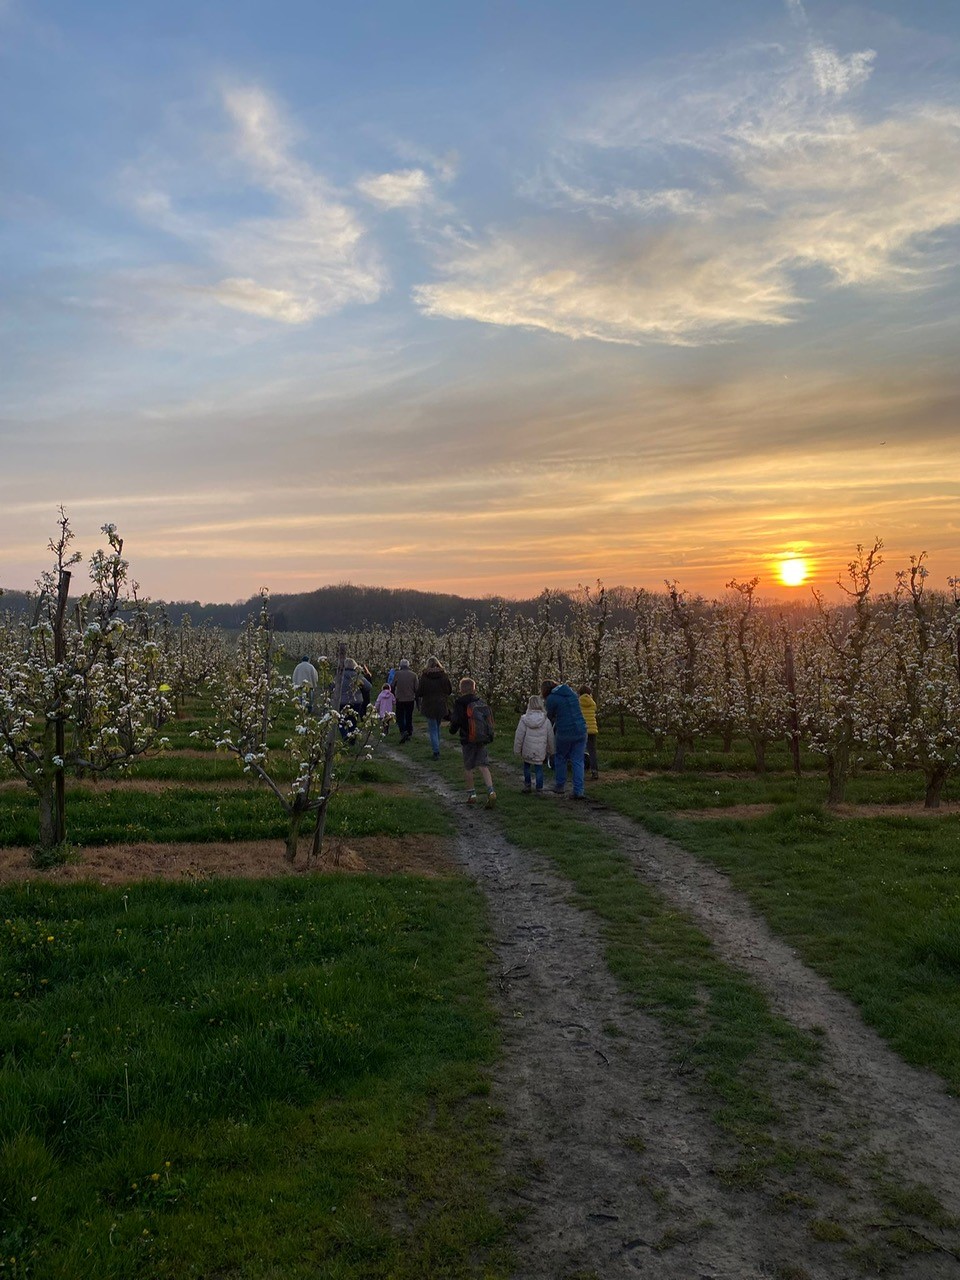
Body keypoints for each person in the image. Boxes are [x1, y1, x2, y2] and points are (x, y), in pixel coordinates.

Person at [449, 677, 496, 807]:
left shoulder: (460, 703)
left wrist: (452, 729)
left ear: (461, 689)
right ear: (474, 688)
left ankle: (472, 794)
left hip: (467, 738)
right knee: (483, 765)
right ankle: (491, 791)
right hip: (481, 738)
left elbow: (457, 720)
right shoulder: (479, 701)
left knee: (468, 767)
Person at [542, 678, 588, 799]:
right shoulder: (571, 693)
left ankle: (560, 785)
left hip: (565, 731)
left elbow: (549, 716)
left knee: (560, 757)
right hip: (581, 729)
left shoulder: (551, 699)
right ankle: (579, 791)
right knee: (578, 760)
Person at [513, 695, 555, 793]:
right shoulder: (546, 720)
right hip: (540, 750)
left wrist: (517, 750)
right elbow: (550, 737)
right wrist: (551, 750)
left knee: (527, 766)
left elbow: (519, 736)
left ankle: (527, 785)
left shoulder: (524, 719)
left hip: (527, 748)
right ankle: (539, 787)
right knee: (539, 768)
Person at [418, 655, 453, 759]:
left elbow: (420, 692)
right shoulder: (444, 676)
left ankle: (436, 751)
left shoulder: (424, 677)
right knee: (437, 727)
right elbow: (449, 691)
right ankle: (437, 746)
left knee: (433, 728)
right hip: (441, 704)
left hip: (429, 705)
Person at [333, 658, 371, 740]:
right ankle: (352, 736)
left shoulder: (339, 676)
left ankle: (344, 735)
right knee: (353, 720)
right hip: (356, 702)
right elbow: (368, 687)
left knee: (341, 719)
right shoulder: (358, 676)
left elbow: (332, 686)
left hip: (342, 701)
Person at [391, 658, 419, 743]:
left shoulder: (397, 674)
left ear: (400, 666)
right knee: (408, 716)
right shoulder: (414, 675)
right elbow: (417, 689)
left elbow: (392, 685)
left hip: (400, 698)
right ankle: (409, 732)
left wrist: (393, 695)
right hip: (410, 699)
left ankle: (403, 731)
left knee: (400, 716)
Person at [579, 684, 600, 780]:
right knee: (592, 751)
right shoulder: (593, 703)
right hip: (592, 729)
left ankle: (580, 770)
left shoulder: (577, 702)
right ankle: (594, 771)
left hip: (582, 728)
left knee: (579, 750)